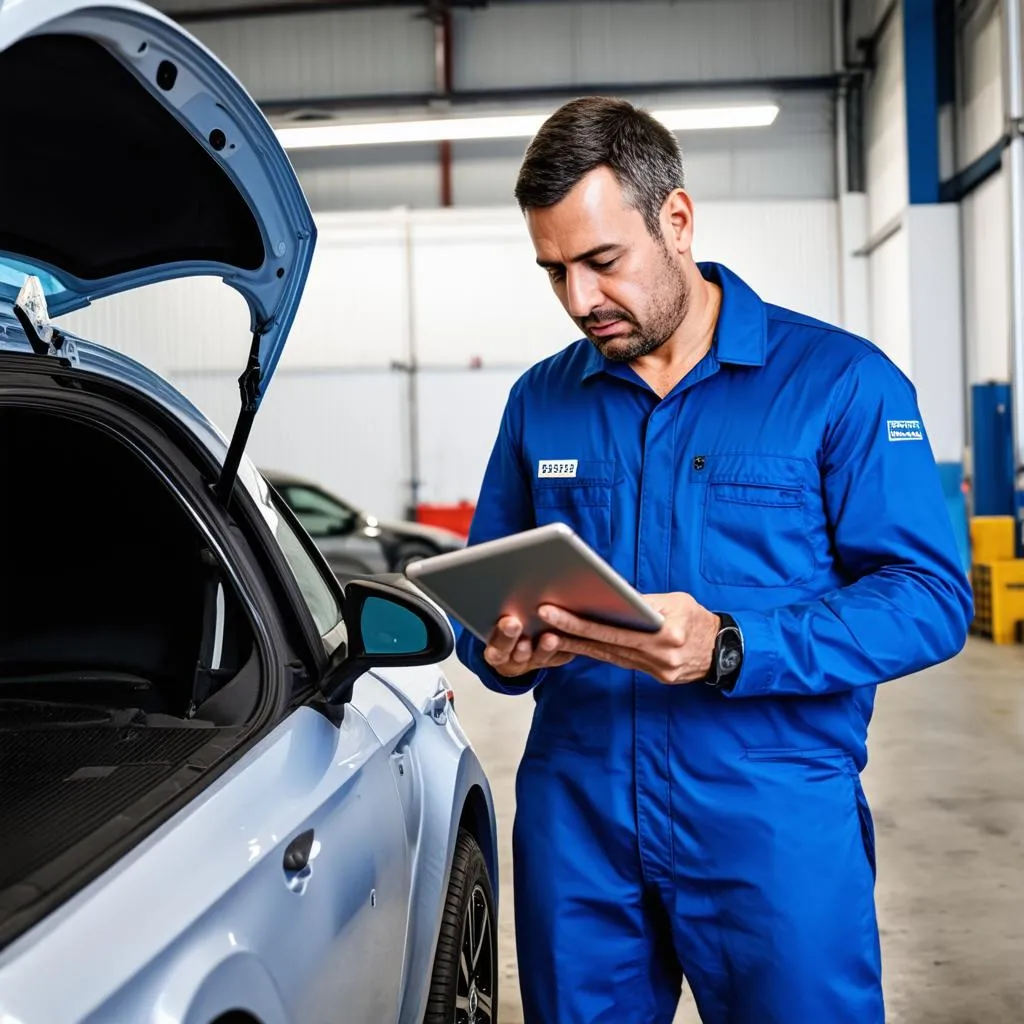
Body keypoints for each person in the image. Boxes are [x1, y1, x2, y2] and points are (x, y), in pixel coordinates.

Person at [455, 96, 973, 1024]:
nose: (580, 300)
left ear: (678, 221)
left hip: (769, 818)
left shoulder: (840, 384)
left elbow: (930, 598)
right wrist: (497, 647)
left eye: (603, 262)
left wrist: (733, 644)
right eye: (555, 272)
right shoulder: (543, 400)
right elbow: (481, 600)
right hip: (579, 819)